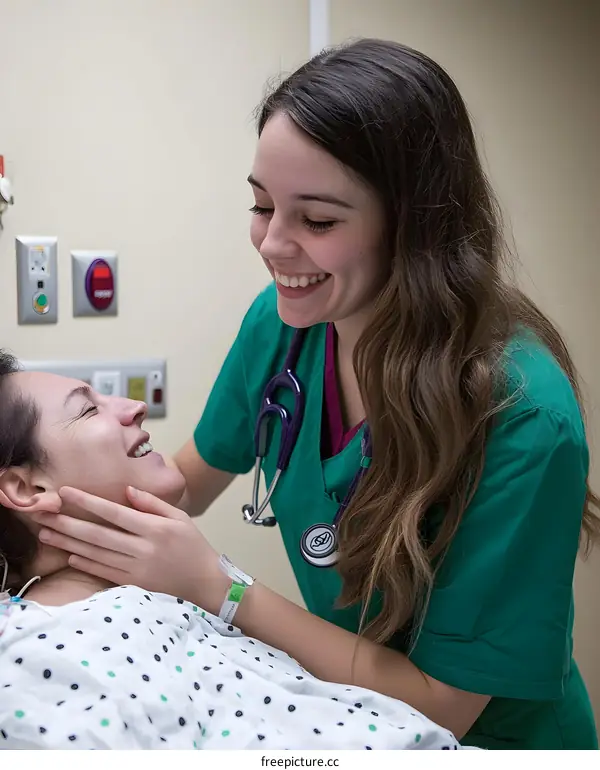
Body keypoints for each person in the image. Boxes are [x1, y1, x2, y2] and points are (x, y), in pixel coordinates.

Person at [29, 38, 599, 750]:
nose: (272, 244)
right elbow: (181, 484)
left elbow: (444, 707)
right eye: (262, 205)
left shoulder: (520, 414)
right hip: (355, 718)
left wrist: (219, 587)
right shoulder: (284, 324)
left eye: (317, 220)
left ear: (416, 225)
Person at [0, 352, 474, 750]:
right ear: (25, 487)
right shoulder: (41, 655)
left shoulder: (166, 590)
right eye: (88, 410)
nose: (134, 406)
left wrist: (215, 584)